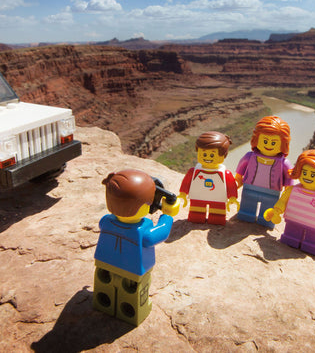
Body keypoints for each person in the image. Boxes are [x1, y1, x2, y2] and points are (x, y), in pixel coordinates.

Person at [93, 169, 180, 326]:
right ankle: (131, 312)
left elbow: (101, 225)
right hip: (133, 270)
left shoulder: (106, 220)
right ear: (142, 206)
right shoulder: (144, 231)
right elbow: (160, 234)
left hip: (104, 263)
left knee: (104, 285)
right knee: (133, 294)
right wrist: (167, 215)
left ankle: (104, 302)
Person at [264, 149, 315, 257]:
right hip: (293, 220)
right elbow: (283, 201)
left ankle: (313, 246)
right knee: (291, 236)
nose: (308, 177)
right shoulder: (292, 190)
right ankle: (291, 239)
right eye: (304, 173)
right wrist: (277, 210)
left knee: (314, 241)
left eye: (313, 174)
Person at [235, 116, 292, 228]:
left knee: (266, 215)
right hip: (249, 188)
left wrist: (286, 195)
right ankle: (246, 214)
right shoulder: (249, 156)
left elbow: (289, 182)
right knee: (247, 209)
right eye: (265, 141)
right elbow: (239, 171)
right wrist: (237, 180)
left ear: (283, 143)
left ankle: (265, 220)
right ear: (256, 139)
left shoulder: (284, 163)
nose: (269, 145)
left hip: (272, 193)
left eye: (274, 142)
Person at [179, 131, 238, 225]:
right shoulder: (194, 171)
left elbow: (231, 185)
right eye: (204, 154)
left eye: (212, 155)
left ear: (223, 155)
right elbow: (187, 182)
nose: (207, 157)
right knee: (196, 214)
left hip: (218, 199)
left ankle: (216, 219)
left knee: (217, 216)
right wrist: (183, 193)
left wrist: (232, 197)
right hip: (197, 198)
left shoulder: (224, 173)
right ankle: (197, 217)